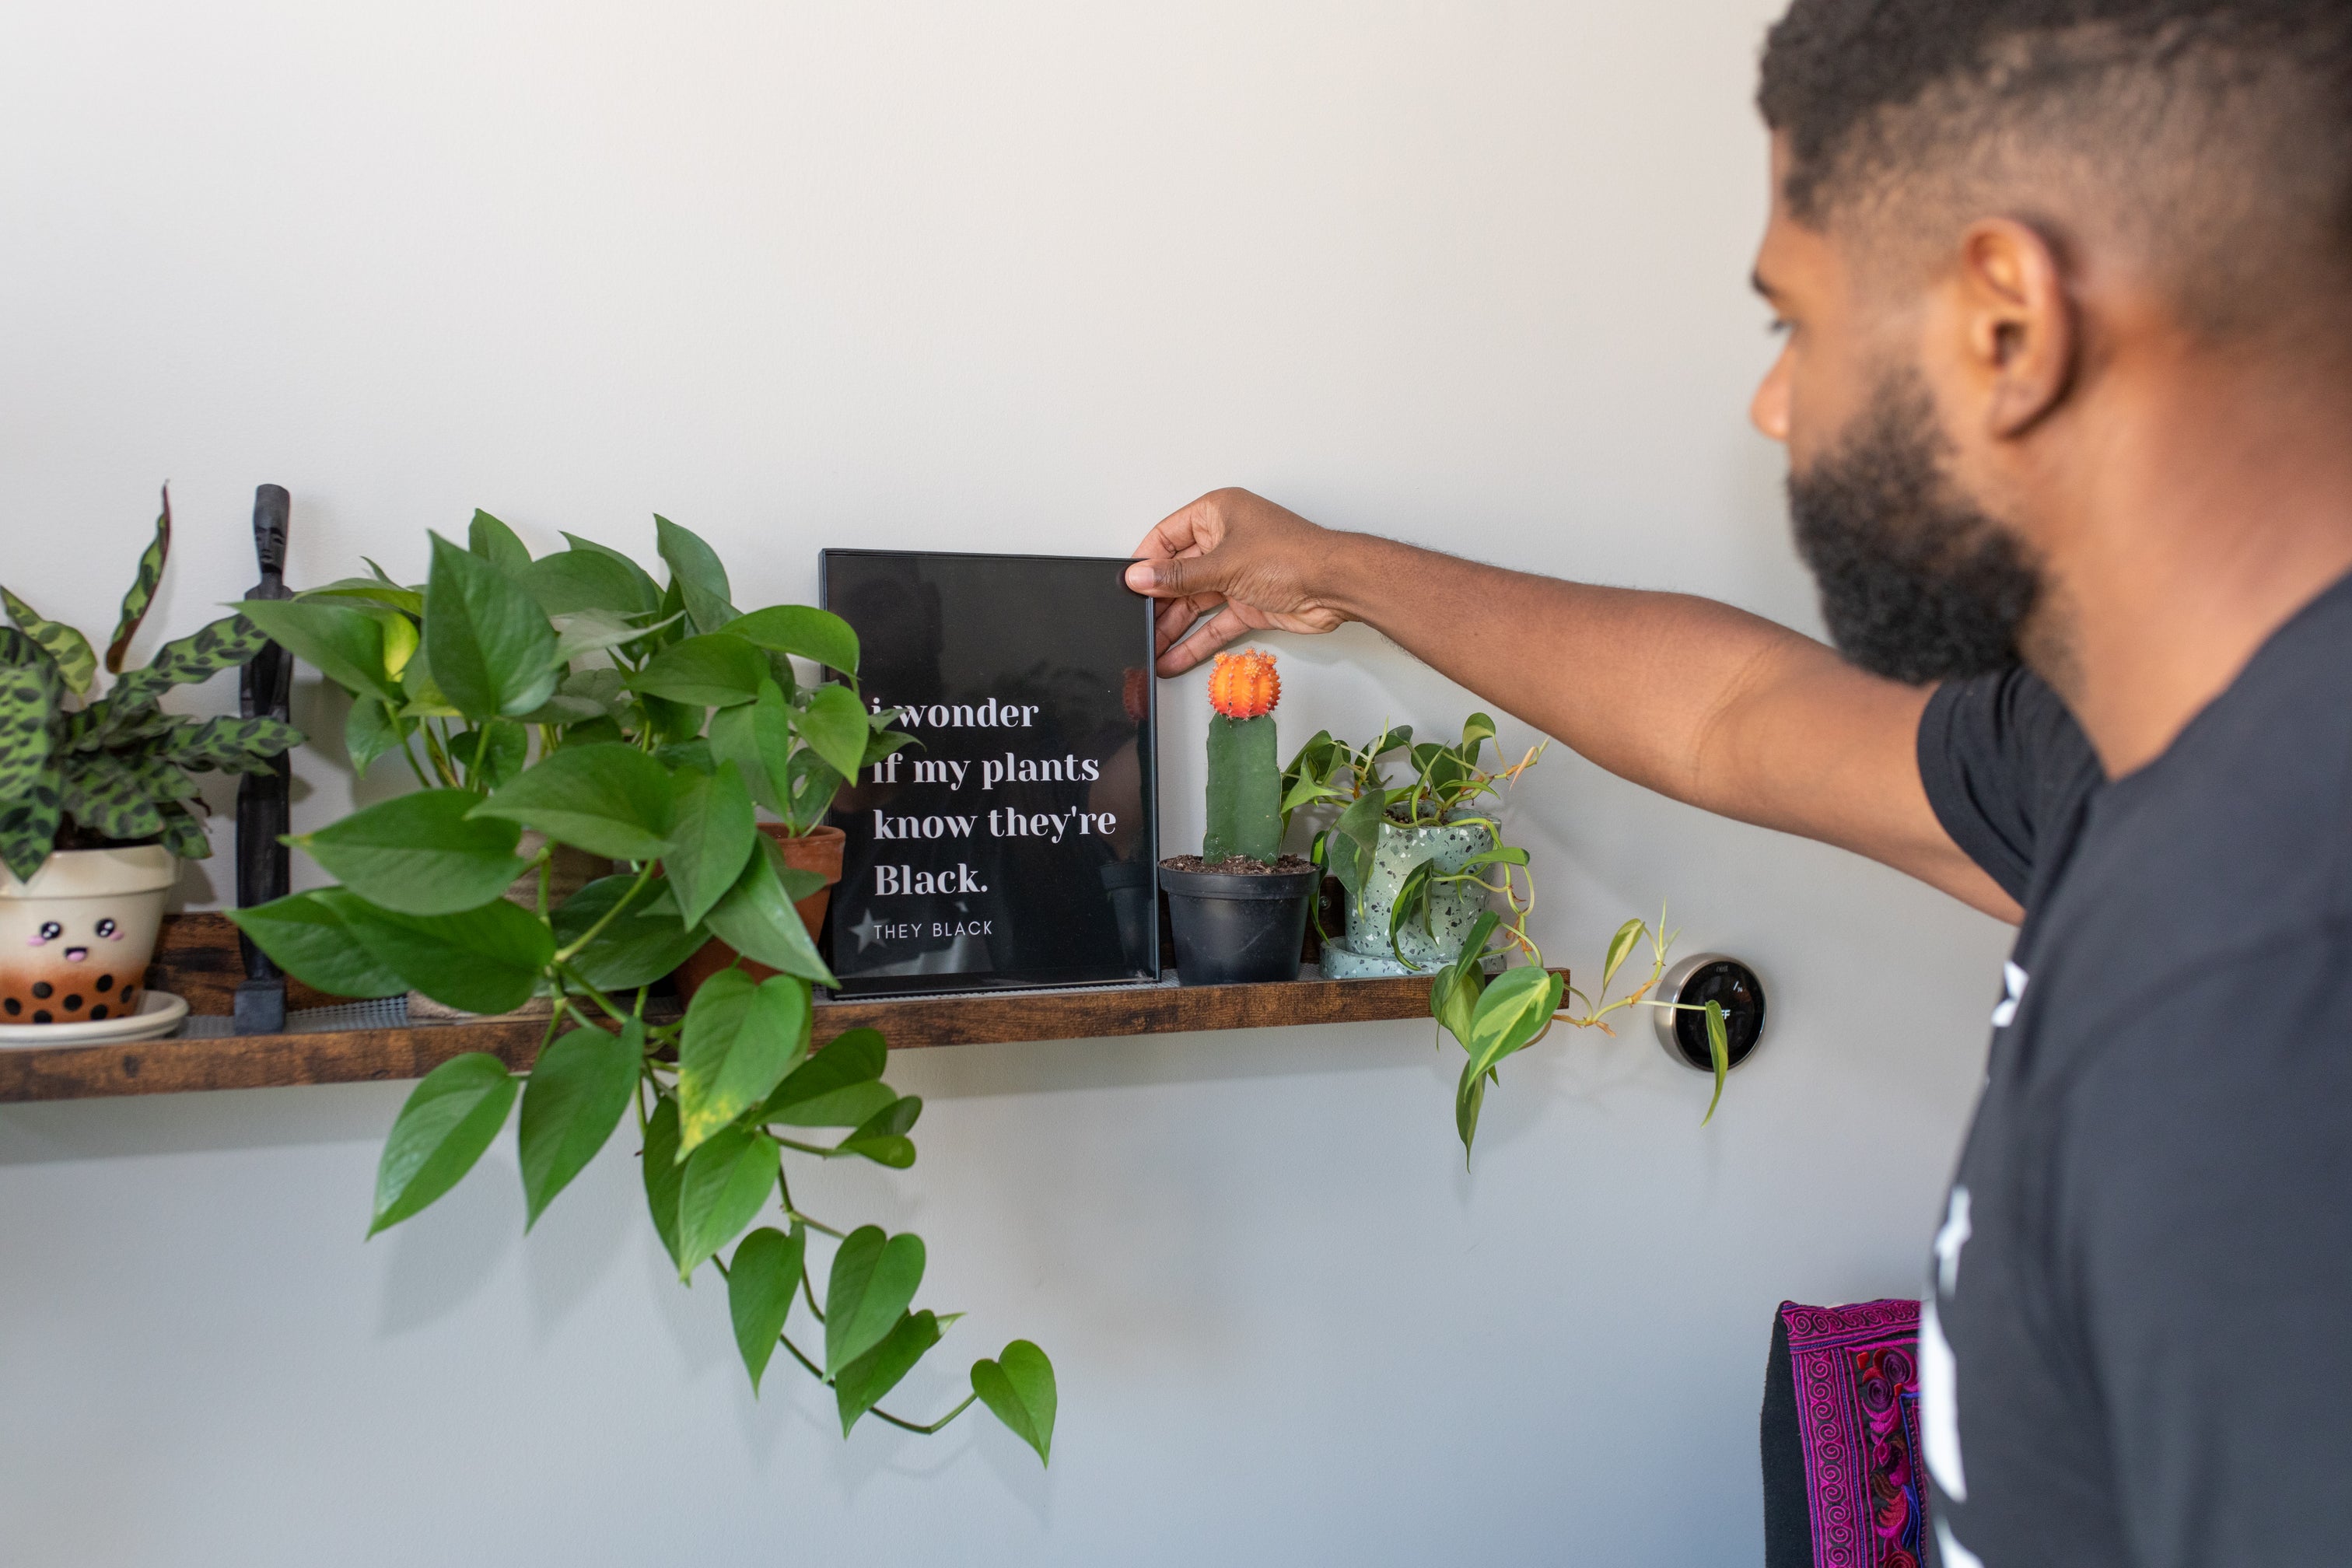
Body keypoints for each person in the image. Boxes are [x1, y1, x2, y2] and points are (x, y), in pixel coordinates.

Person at [1125, 2, 2352, 1563]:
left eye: (1797, 326)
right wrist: (1337, 571)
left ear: (2008, 322)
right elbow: (1731, 712)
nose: (1775, 408)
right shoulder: (2133, 751)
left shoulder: (2260, 990)